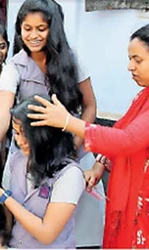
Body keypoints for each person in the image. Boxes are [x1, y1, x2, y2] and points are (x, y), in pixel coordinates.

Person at [0, 0, 103, 248]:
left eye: (41, 28)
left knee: (76, 226)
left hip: (71, 151)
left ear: (54, 29)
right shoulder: (15, 66)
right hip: (28, 152)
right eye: (26, 28)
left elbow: (90, 106)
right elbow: (2, 114)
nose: (33, 35)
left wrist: (73, 146)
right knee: (20, 213)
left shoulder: (72, 60)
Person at [27, 23, 149, 248]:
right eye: (130, 59)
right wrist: (99, 165)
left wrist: (68, 122)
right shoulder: (143, 97)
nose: (130, 67)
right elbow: (120, 131)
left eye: (138, 60)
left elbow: (128, 140)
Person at [0, 96, 85, 248]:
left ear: (45, 134)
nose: (20, 141)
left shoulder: (70, 174)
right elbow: (6, 215)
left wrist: (4, 197)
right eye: (16, 133)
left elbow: (46, 234)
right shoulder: (15, 160)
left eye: (26, 134)